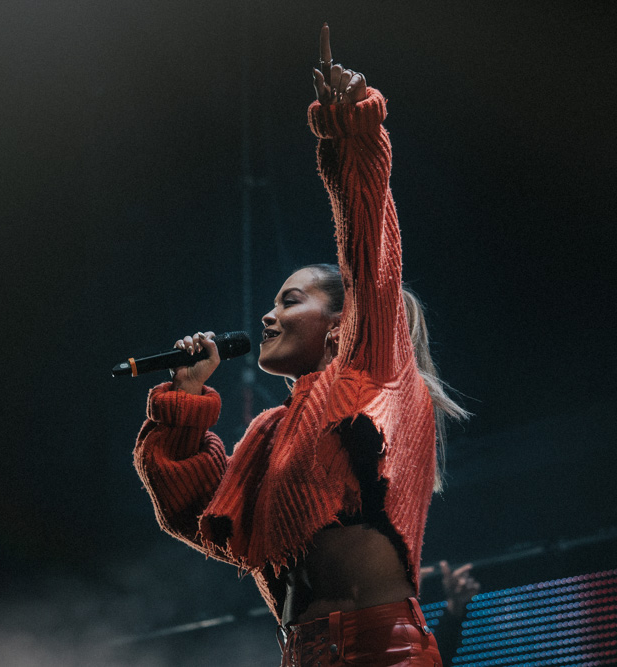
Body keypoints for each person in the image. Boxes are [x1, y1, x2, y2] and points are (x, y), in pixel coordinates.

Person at [133, 24, 468, 666]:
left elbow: (370, 243)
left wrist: (350, 133)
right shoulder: (272, 434)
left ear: (344, 319)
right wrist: (184, 402)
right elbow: (208, 520)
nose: (267, 314)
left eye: (290, 300)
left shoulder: (375, 374)